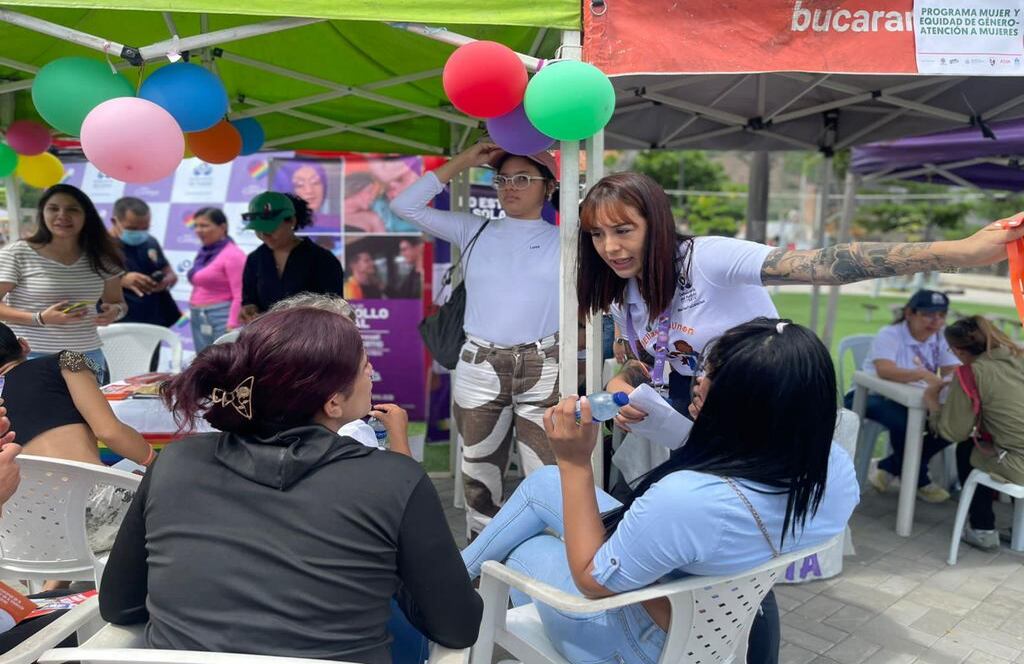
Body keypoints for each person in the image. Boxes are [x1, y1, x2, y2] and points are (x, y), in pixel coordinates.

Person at [462, 319, 860, 664]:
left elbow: (591, 582)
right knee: (543, 483)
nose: (699, 379)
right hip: (715, 627)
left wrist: (575, 462)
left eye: (718, 376)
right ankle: (451, 578)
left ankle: (445, 601)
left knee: (522, 549)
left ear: (754, 409)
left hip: (633, 644)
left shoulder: (689, 499)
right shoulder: (832, 471)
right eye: (709, 366)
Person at [99, 307, 481, 663]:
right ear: (333, 403)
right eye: (364, 365)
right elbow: (458, 626)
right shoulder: (395, 480)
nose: (372, 372)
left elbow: (120, 606)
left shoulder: (176, 462)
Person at [578, 171, 1024, 439]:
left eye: (623, 230)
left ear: (656, 224)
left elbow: (824, 264)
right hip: (694, 427)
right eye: (598, 235)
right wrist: (621, 387)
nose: (610, 247)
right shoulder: (623, 289)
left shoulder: (706, 258)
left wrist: (961, 252)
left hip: (767, 414)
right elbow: (640, 362)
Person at [391, 142, 561, 530]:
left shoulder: (567, 238)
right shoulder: (474, 228)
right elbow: (405, 206)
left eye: (523, 179)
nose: (510, 187)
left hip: (543, 364)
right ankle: (482, 562)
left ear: (549, 187)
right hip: (480, 365)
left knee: (547, 478)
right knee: (479, 482)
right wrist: (465, 161)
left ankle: (543, 561)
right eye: (502, 179)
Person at [0, 184, 127, 383]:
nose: (62, 215)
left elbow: (119, 303)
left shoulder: (101, 256)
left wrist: (114, 312)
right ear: (42, 213)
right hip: (30, 356)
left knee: (89, 406)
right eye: (53, 208)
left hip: (85, 356)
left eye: (72, 209)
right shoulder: (17, 253)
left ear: (86, 216)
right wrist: (39, 318)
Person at [843, 290, 959, 503]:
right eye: (928, 314)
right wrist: (923, 375)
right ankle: (920, 480)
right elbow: (885, 370)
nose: (936, 321)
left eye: (942, 315)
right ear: (909, 313)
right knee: (905, 421)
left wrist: (947, 381)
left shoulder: (941, 336)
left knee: (954, 425)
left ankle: (890, 466)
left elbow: (952, 370)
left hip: (912, 400)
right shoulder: (890, 333)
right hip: (869, 395)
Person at [923, 316, 1024, 550]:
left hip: (1020, 463)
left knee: (967, 449)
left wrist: (932, 402)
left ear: (958, 351)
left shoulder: (971, 372)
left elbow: (953, 432)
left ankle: (983, 529)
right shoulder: (1018, 356)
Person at [239, 192, 345, 323]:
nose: (264, 235)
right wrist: (249, 310)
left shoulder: (322, 259)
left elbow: (336, 308)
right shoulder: (254, 260)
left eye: (270, 229)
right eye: (258, 230)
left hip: (312, 333)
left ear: (292, 221)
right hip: (266, 333)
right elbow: (249, 300)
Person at [187, 208, 246, 351]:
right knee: (202, 361)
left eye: (204, 225)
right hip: (199, 316)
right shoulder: (204, 253)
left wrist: (232, 325)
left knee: (222, 362)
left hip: (221, 318)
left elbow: (240, 294)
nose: (198, 230)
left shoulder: (233, 255)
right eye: (196, 226)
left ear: (222, 227)